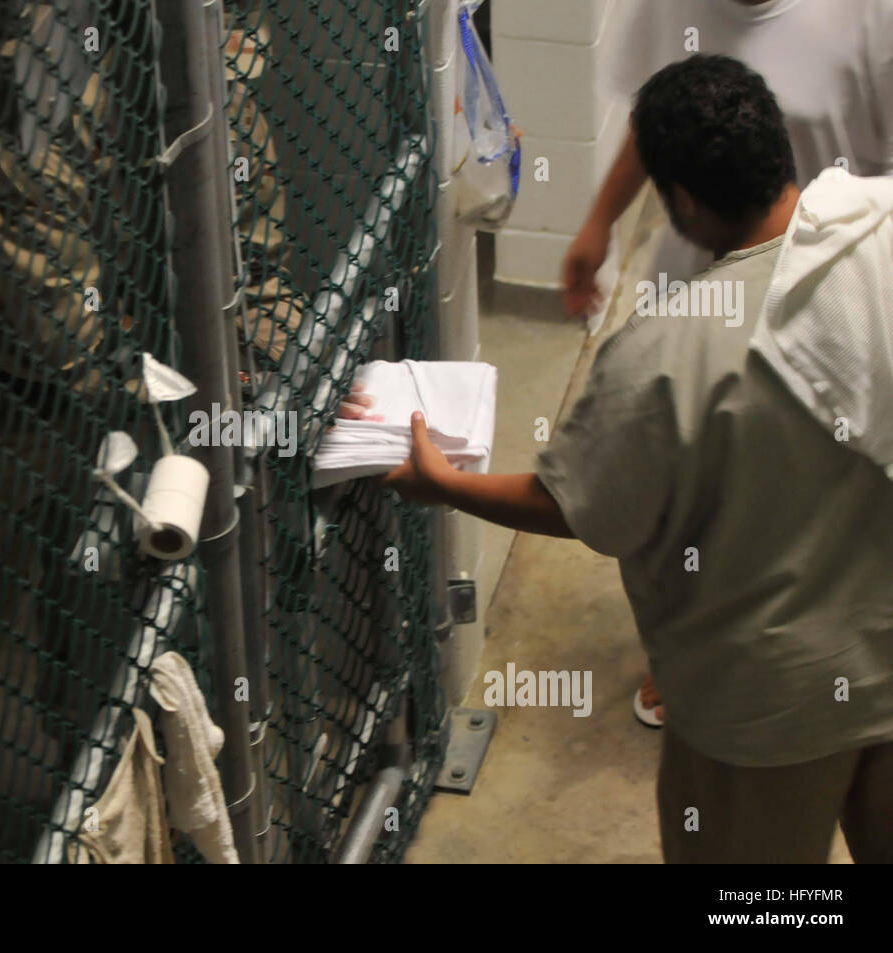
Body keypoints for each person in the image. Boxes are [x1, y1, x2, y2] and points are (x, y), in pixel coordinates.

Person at [347, 54, 893, 862]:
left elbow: (576, 506)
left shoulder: (665, 352)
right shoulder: (876, 238)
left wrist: (446, 484)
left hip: (765, 713)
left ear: (684, 202)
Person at [560, 0, 893, 725]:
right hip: (699, 283)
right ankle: (684, 651)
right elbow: (658, 122)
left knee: (805, 497)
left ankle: (825, 660)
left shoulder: (869, 15)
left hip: (820, 298)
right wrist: (598, 221)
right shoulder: (666, 7)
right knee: (687, 491)